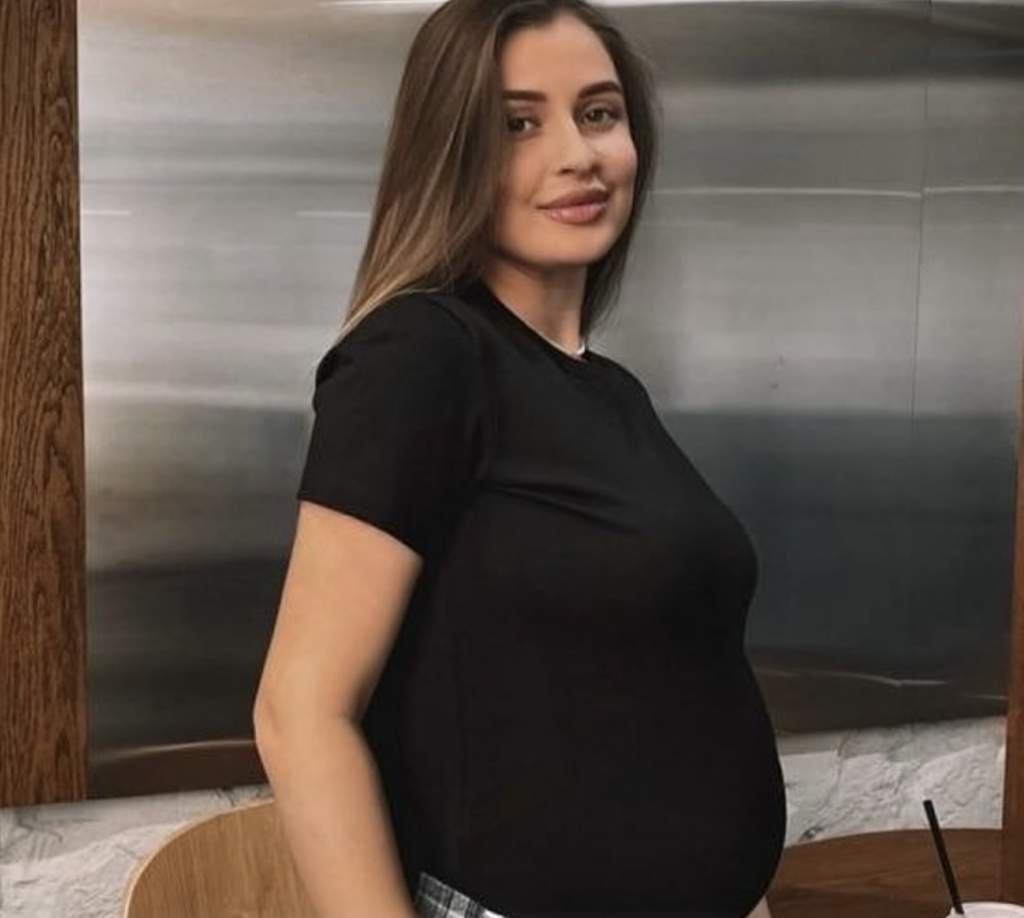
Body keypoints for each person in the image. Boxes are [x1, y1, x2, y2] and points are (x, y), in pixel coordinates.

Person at [252, 0, 785, 916]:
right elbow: (300, 712)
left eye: (599, 113)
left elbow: (672, 689)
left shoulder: (612, 391)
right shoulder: (421, 354)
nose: (577, 154)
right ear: (450, 151)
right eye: (518, 124)